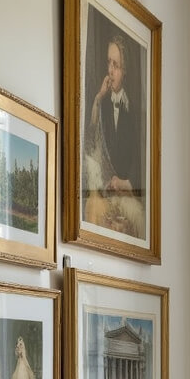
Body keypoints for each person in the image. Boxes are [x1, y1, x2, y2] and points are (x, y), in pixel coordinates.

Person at [83, 32, 145, 238]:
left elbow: (139, 160)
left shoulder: (133, 111)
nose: (110, 71)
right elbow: (90, 141)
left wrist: (125, 183)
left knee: (138, 216)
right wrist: (98, 99)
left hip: (124, 190)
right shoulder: (103, 104)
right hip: (104, 187)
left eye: (116, 65)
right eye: (108, 63)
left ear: (124, 71)